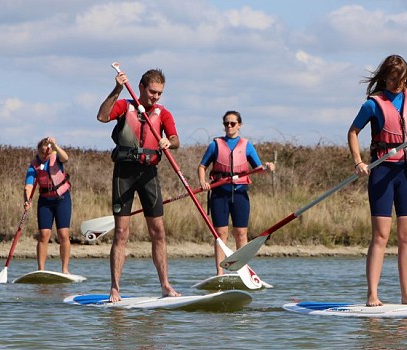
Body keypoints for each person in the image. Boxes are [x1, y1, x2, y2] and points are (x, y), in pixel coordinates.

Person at [347, 54, 407, 307]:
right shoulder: (373, 104)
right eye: (392, 80)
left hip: (406, 172)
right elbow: (353, 132)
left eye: (401, 80)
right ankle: (372, 295)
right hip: (381, 172)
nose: (397, 85)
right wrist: (358, 162)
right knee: (381, 235)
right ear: (384, 78)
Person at [97, 68, 180, 303]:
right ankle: (115, 288)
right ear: (141, 87)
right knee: (121, 232)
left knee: (158, 232)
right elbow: (102, 117)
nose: (155, 97)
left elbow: (175, 140)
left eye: (159, 93)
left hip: (148, 174)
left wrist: (168, 142)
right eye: (152, 92)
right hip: (124, 173)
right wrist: (117, 89)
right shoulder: (125, 106)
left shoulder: (163, 113)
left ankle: (165, 285)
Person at [197, 111, 275, 276]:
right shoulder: (215, 145)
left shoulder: (247, 146)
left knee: (241, 233)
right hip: (219, 193)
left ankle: (242, 271)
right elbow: (202, 166)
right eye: (226, 123)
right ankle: (220, 273)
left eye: (232, 123)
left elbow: (258, 169)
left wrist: (267, 167)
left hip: (240, 194)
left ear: (239, 125)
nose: (229, 126)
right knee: (221, 234)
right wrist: (203, 182)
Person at [23, 136, 73, 274]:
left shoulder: (57, 158)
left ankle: (65, 269)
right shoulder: (34, 166)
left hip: (62, 199)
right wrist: (27, 200)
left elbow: (66, 158)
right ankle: (41, 270)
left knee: (63, 234)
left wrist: (55, 146)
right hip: (45, 201)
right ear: (38, 152)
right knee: (44, 235)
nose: (45, 155)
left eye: (48, 152)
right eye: (42, 152)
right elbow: (28, 186)